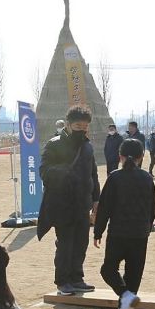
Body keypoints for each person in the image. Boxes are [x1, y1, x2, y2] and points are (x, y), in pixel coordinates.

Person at [93, 139, 155, 309]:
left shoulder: (114, 177)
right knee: (133, 276)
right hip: (140, 234)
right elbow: (152, 208)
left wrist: (98, 231)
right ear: (141, 157)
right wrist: (147, 226)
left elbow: (104, 208)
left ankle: (124, 298)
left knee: (108, 270)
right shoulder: (147, 178)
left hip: (118, 233)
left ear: (119, 156)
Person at [37, 106, 100, 296]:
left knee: (81, 243)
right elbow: (44, 172)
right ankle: (63, 281)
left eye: (85, 126)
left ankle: (77, 278)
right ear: (68, 125)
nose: (82, 129)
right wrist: (65, 170)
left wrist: (96, 200)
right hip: (62, 204)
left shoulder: (87, 146)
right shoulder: (54, 144)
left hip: (82, 204)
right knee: (65, 244)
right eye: (78, 125)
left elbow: (93, 175)